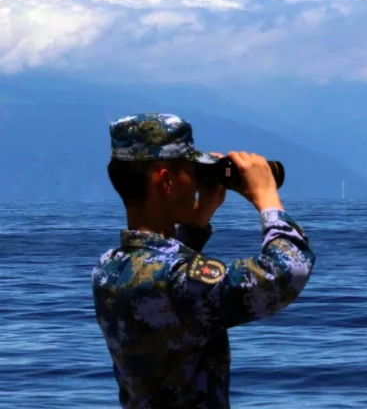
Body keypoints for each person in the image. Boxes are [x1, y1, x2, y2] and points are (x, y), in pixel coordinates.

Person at [91, 113, 316, 409]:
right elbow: (288, 271)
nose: (197, 183)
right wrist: (266, 197)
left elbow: (160, 267)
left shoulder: (108, 267)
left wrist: (201, 213)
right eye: (192, 172)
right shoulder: (177, 281)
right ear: (167, 181)